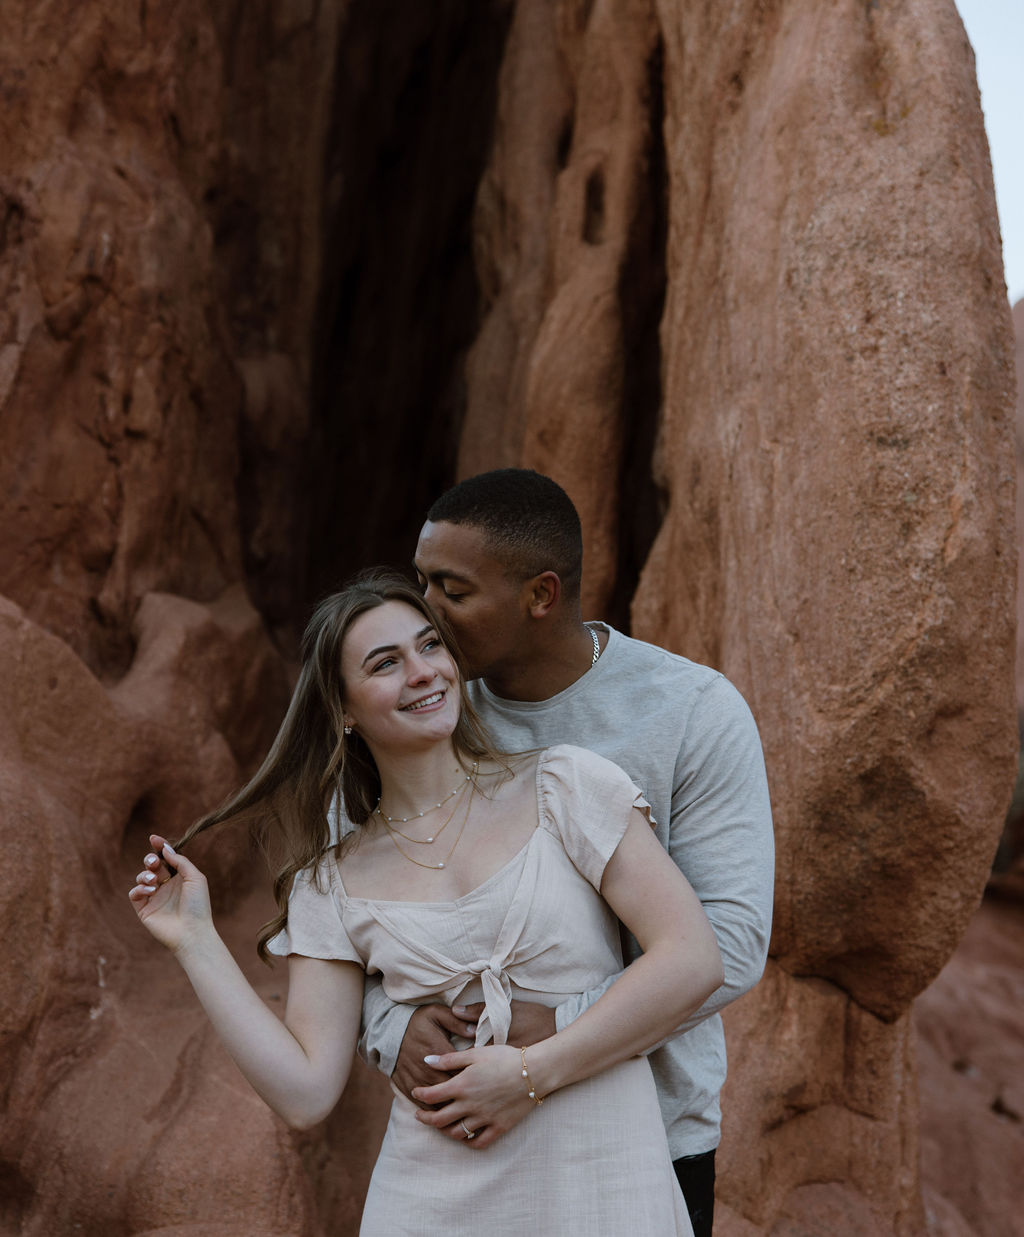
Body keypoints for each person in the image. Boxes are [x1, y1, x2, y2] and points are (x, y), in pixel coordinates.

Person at [129, 571, 723, 1236]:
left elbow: (693, 958)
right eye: (386, 663)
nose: (423, 672)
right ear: (344, 709)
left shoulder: (565, 785)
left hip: (604, 1177)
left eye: (430, 645)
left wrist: (529, 1072)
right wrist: (196, 939)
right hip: (433, 1200)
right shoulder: (330, 883)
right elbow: (304, 1093)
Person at [358, 469, 775, 1237]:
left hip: (650, 1134)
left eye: (451, 588)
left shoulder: (692, 713)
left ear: (540, 595)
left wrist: (545, 1034)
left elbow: (734, 944)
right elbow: (350, 904)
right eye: (421, 582)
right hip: (462, 1147)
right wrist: (391, 1025)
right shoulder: (417, 714)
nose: (426, 611)